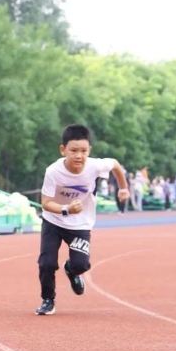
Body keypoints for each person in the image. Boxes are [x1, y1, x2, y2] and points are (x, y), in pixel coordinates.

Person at [35, 124, 129, 315]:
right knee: (47, 263)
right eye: (74, 150)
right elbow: (45, 202)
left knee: (80, 264)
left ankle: (71, 270)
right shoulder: (53, 171)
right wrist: (66, 209)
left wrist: (123, 188)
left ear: (90, 151)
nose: (79, 155)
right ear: (63, 150)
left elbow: (116, 165)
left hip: (80, 224)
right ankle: (48, 300)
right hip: (53, 221)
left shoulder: (95, 166)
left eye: (84, 151)